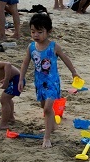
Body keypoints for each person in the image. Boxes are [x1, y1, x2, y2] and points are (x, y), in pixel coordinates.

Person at [19, 12, 80, 148]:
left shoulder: (53, 46)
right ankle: (52, 127)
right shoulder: (31, 47)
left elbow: (65, 59)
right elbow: (25, 63)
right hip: (39, 82)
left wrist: (74, 73)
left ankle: (47, 138)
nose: (36, 35)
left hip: (52, 82)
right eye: (33, 32)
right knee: (43, 106)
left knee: (47, 108)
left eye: (40, 32)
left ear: (48, 32)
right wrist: (21, 79)